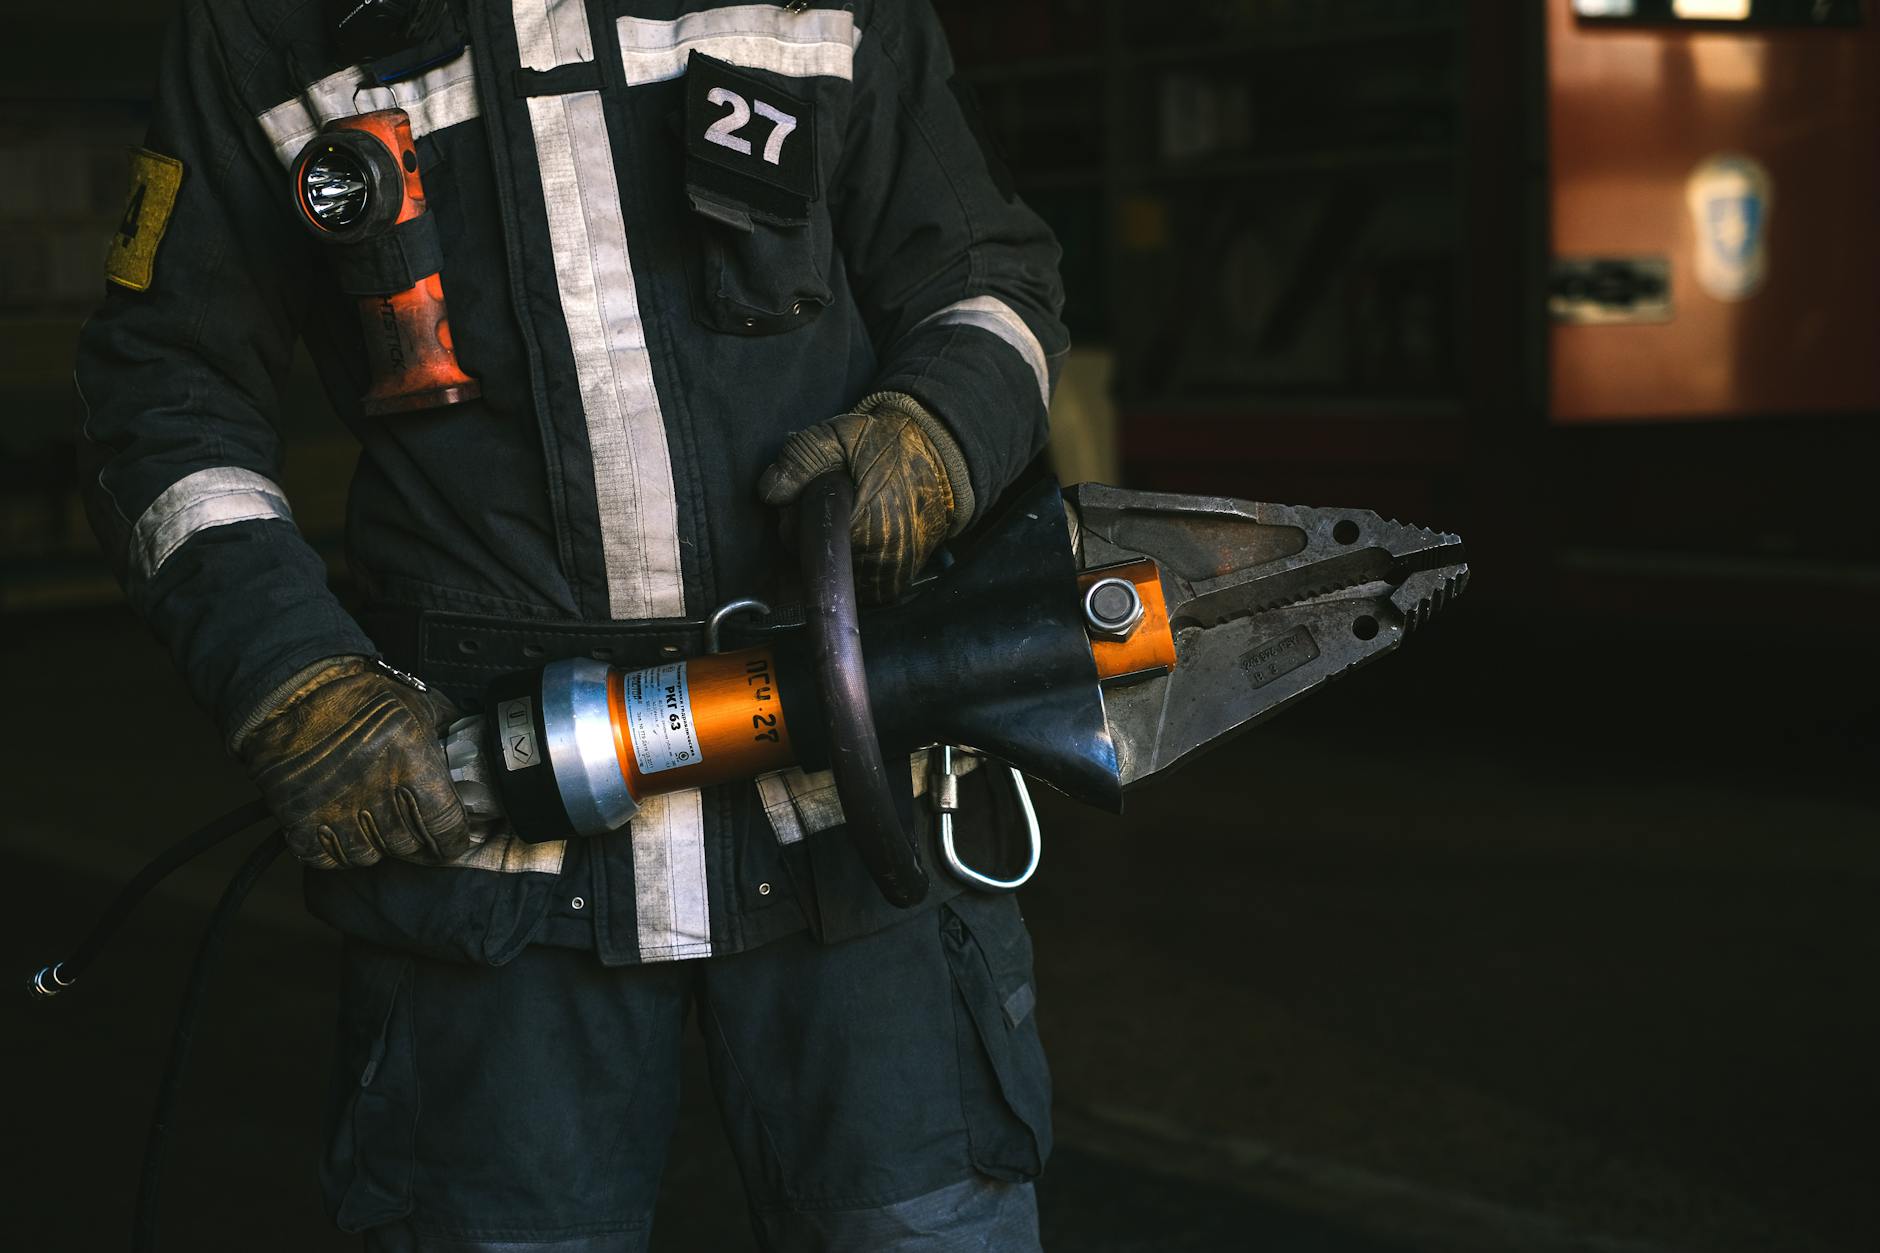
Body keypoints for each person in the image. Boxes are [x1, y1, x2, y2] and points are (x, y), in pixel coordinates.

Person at [76, 1, 1068, 1249]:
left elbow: (986, 275)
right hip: (496, 839)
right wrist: (294, 676)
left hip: (846, 793)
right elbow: (164, 390)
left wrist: (938, 427)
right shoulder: (268, 29)